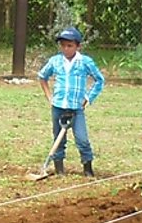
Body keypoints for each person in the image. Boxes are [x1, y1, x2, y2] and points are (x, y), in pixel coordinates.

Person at [38, 26, 105, 177]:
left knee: (82, 139)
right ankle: (59, 169)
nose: (66, 49)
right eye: (63, 45)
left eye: (70, 46)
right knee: (58, 138)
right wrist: (50, 97)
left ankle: (88, 169)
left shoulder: (85, 62)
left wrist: (88, 98)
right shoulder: (55, 61)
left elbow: (99, 80)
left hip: (76, 108)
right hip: (58, 106)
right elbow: (42, 77)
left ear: (78, 46)